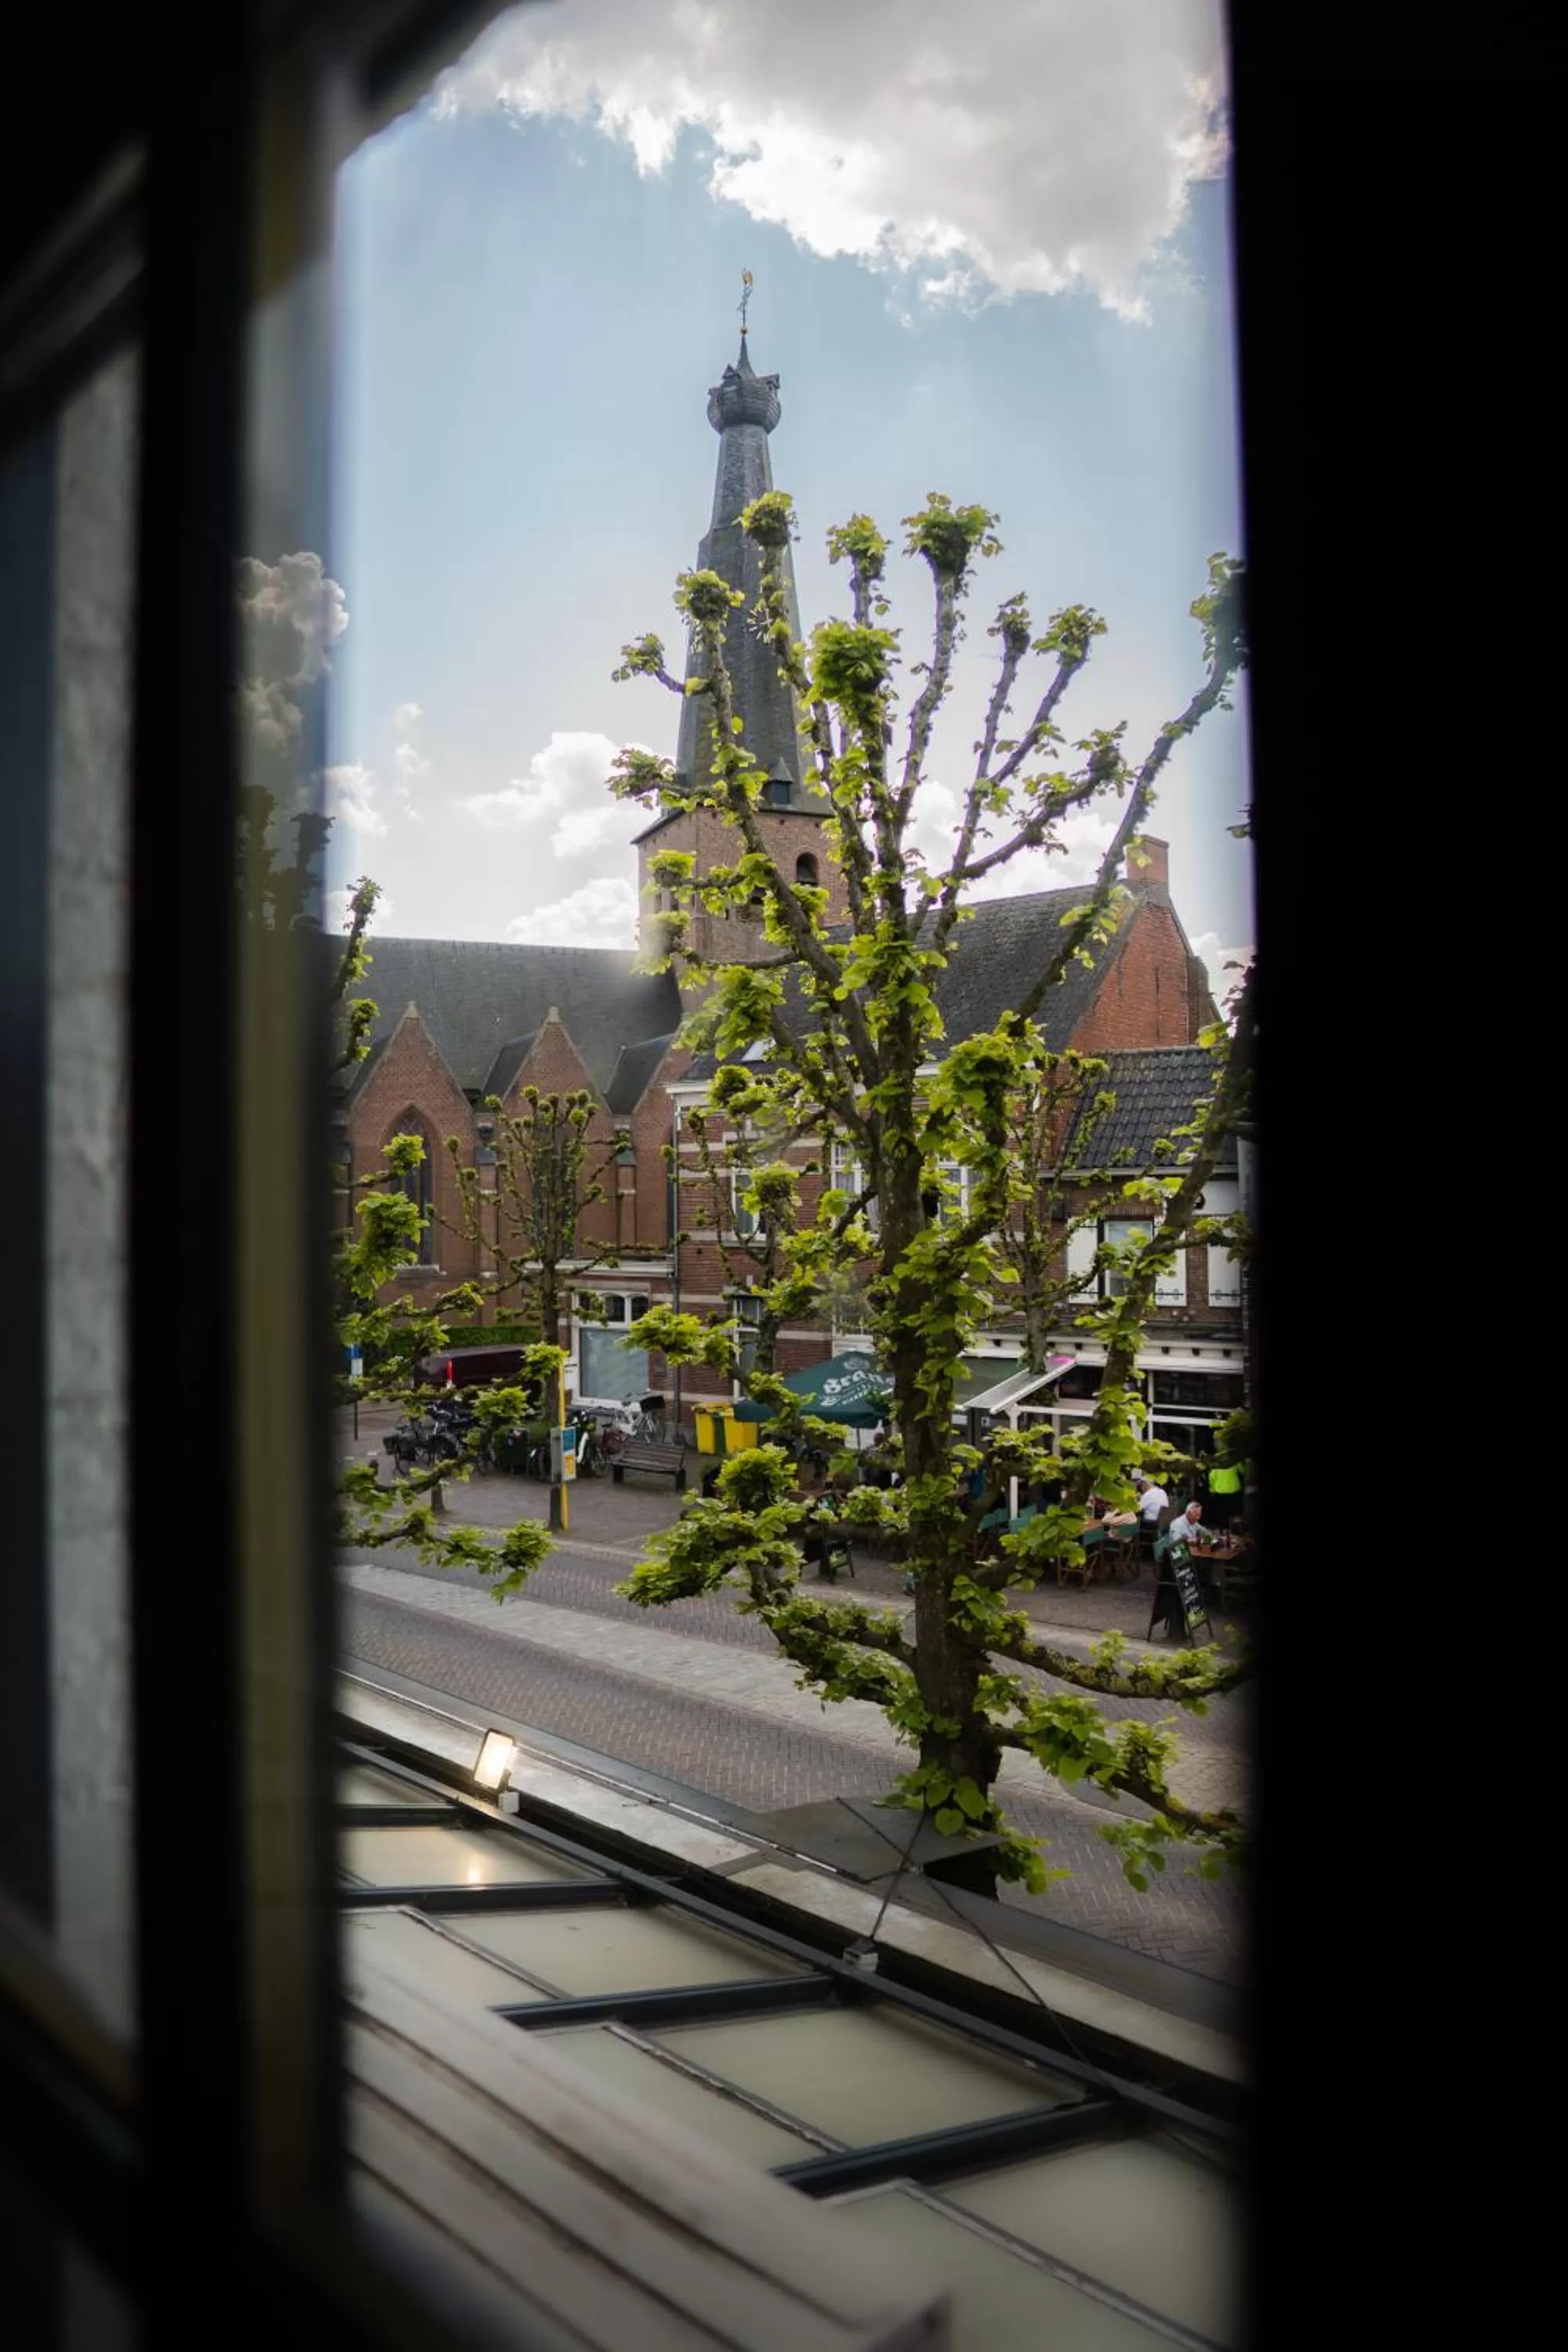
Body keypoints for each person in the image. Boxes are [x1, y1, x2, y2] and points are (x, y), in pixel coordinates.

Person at [1207, 1453, 1242, 1531]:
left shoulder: (1216, 1464)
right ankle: (1234, 1529)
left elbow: (1212, 1478)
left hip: (1220, 1491)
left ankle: (1224, 1530)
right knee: (1233, 1512)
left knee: (1223, 1513)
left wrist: (1212, 1490)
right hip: (1234, 1490)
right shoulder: (1234, 1461)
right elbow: (1242, 1471)